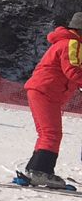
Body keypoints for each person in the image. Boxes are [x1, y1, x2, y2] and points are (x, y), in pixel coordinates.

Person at [19, 13, 82, 189]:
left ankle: (35, 170)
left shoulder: (64, 42)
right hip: (46, 91)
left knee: (46, 133)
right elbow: (73, 71)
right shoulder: (73, 43)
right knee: (52, 134)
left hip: (41, 90)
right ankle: (41, 171)